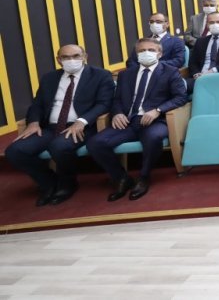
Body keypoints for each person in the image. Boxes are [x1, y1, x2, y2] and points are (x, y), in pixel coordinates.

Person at [5, 44, 115, 206]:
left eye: (76, 56)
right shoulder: (49, 78)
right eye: (66, 57)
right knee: (15, 151)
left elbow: (104, 104)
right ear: (58, 60)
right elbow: (37, 104)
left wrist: (82, 121)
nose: (71, 60)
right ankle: (48, 183)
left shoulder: (100, 75)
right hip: (49, 127)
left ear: (85, 57)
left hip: (81, 126)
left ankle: (67, 184)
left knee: (59, 146)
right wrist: (33, 122)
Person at [87, 38, 188, 202]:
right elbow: (117, 99)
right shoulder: (125, 74)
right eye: (141, 51)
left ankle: (144, 177)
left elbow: (180, 97)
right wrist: (117, 113)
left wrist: (157, 110)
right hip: (128, 121)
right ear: (136, 54)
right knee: (95, 143)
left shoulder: (170, 71)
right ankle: (121, 178)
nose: (146, 53)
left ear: (160, 53)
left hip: (155, 120)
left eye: (151, 50)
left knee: (153, 138)